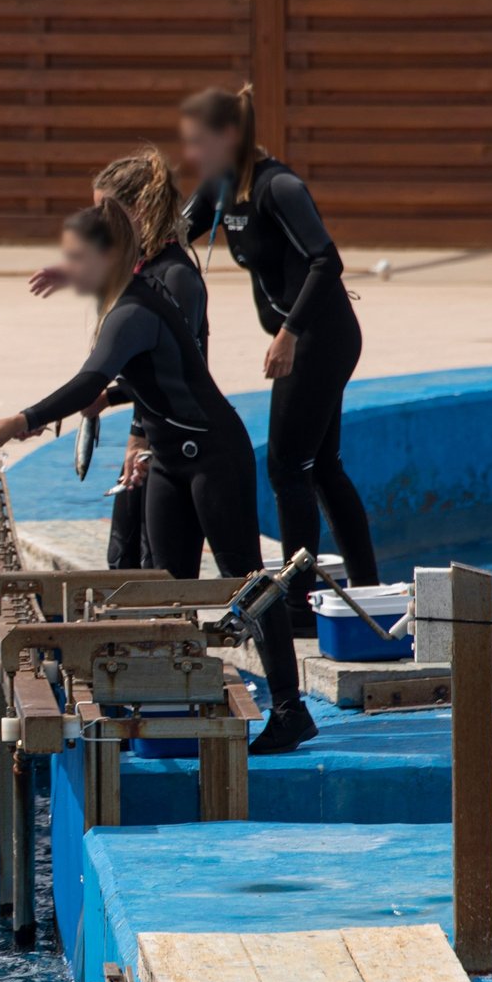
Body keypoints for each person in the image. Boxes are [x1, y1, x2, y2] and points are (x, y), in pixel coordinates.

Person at [0, 198, 317, 754]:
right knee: (165, 585)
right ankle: (171, 700)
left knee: (244, 580)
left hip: (213, 457)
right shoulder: (129, 297)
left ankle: (289, 708)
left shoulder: (135, 307)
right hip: (169, 458)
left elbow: (88, 378)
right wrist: (110, 398)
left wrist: (22, 421)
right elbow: (148, 375)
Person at [179, 84, 379, 631]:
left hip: (321, 337)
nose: (192, 155)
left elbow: (326, 261)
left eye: (200, 142)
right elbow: (172, 234)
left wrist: (288, 333)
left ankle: (297, 609)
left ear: (229, 137)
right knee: (323, 467)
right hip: (304, 339)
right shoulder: (221, 189)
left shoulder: (279, 187)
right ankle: (368, 590)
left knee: (288, 466)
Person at [27, 146, 207, 572]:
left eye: (105, 214)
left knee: (158, 570)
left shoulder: (177, 277)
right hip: (154, 434)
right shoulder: (143, 267)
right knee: (122, 561)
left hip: (177, 448)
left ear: (140, 209)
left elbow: (180, 373)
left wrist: (138, 439)